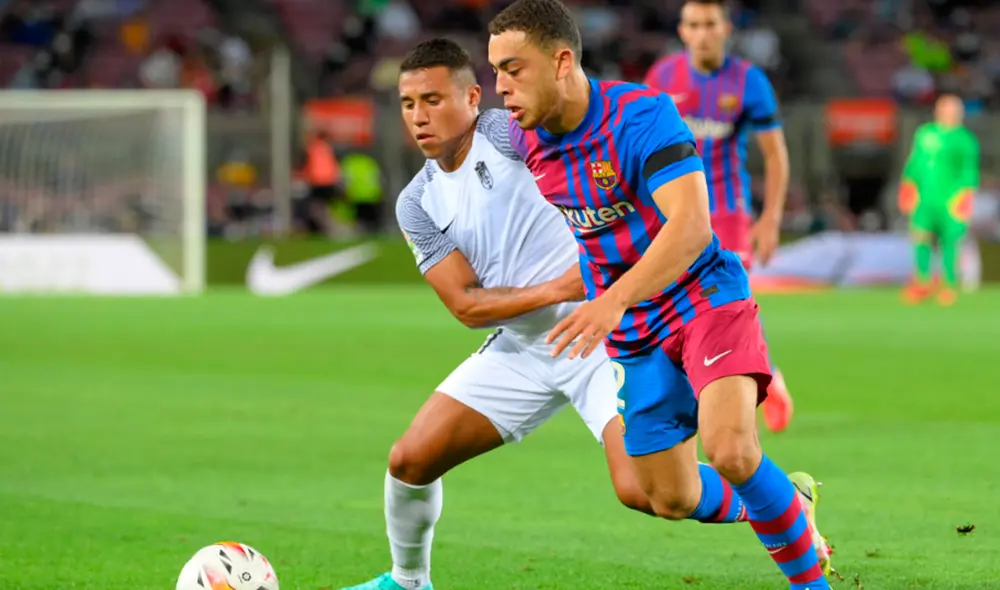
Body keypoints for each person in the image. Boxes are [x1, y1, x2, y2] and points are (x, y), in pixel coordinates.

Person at [487, 0, 833, 588]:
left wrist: (612, 297)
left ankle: (811, 582)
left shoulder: (640, 114)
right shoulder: (524, 140)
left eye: (513, 69)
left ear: (562, 60)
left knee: (730, 450)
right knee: (667, 496)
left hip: (703, 295)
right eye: (495, 71)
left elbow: (693, 225)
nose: (500, 87)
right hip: (634, 331)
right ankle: (787, 505)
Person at [340, 38, 675, 590]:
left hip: (600, 337)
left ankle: (775, 503)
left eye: (432, 99)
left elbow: (587, 155)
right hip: (522, 349)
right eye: (407, 104)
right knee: (410, 460)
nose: (419, 117)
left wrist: (610, 255)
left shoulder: (504, 133)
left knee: (648, 493)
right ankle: (408, 582)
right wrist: (563, 283)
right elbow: (467, 305)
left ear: (473, 97)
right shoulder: (415, 202)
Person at [643, 0, 793, 433]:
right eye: (694, 24)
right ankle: (712, 387)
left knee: (725, 306)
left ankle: (759, 380)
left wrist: (771, 219)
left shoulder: (749, 82)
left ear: (725, 28)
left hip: (725, 214)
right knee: (668, 302)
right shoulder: (662, 78)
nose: (703, 32)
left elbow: (775, 156)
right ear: (683, 30)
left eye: (710, 24)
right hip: (668, 213)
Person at [899, 94, 980, 306]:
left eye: (954, 109)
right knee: (920, 238)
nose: (950, 113)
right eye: (946, 108)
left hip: (950, 201)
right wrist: (907, 186)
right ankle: (922, 281)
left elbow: (968, 172)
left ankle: (949, 284)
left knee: (950, 243)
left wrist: (965, 197)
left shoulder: (965, 140)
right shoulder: (925, 134)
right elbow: (915, 162)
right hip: (925, 198)